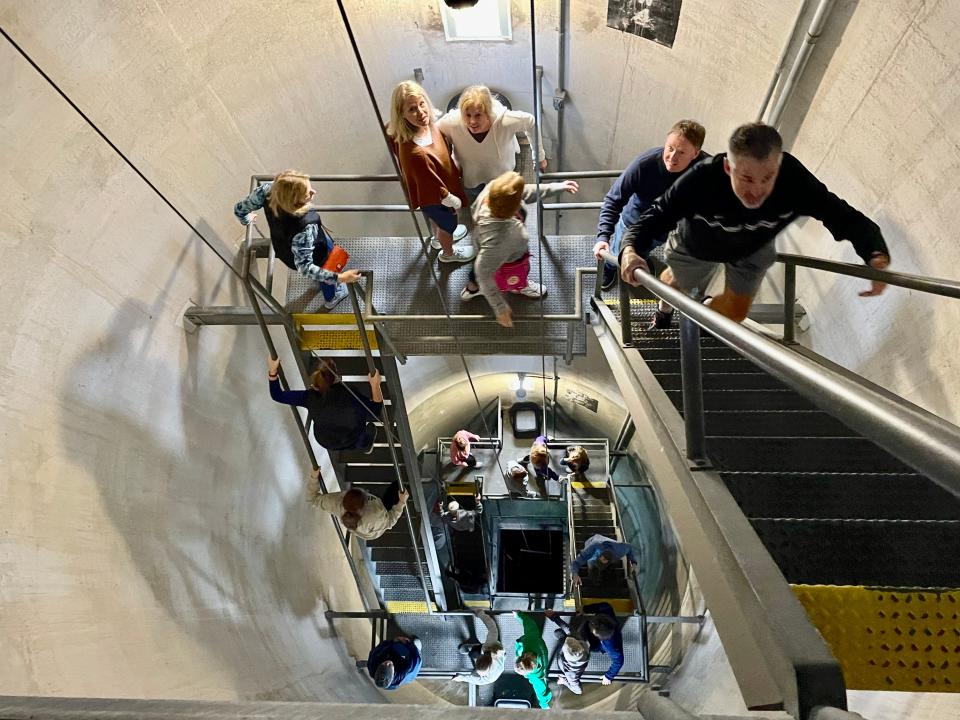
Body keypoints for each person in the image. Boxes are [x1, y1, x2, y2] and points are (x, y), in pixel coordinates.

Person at [613, 122, 891, 329]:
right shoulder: (702, 179)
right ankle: (664, 314)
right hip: (698, 245)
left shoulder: (793, 181)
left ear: (778, 166)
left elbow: (840, 213)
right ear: (727, 168)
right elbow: (657, 214)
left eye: (767, 178)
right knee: (673, 285)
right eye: (746, 179)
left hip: (751, 251)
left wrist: (874, 254)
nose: (757, 191)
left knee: (735, 312)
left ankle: (705, 308)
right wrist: (629, 248)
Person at [593, 121, 707, 291]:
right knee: (619, 253)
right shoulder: (645, 165)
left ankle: (642, 257)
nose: (672, 157)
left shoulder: (707, 170)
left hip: (667, 228)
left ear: (695, 154)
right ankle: (610, 269)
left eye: (681, 152)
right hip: (634, 223)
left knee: (645, 249)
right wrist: (603, 236)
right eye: (670, 148)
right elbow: (614, 199)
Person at [459, 171, 579, 328]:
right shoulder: (509, 236)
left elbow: (526, 191)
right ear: (514, 206)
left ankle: (473, 288)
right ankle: (519, 286)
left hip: (481, 244)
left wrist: (557, 187)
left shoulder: (491, 190)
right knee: (513, 271)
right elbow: (484, 272)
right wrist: (500, 308)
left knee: (480, 266)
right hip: (509, 256)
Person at [234, 171, 361, 309]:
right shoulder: (304, 228)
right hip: (312, 252)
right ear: (295, 202)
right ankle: (332, 297)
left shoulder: (270, 189)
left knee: (328, 251)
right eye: (308, 193)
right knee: (326, 265)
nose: (313, 192)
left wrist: (246, 219)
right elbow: (306, 267)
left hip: (283, 246)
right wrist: (341, 278)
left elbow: (239, 209)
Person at [387, 81, 475, 264]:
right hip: (437, 197)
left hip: (433, 195)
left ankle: (438, 238)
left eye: (421, 104)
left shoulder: (423, 127)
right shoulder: (415, 153)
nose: (420, 112)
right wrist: (450, 197)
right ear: (401, 114)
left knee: (436, 220)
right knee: (448, 223)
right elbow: (428, 183)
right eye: (412, 109)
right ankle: (448, 253)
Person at [437, 85, 547, 202]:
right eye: (468, 115)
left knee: (502, 200)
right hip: (471, 174)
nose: (472, 121)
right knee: (477, 198)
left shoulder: (505, 121)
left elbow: (531, 122)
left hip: (501, 174)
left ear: (488, 113)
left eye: (478, 115)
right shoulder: (453, 122)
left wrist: (539, 157)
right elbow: (434, 132)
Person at [267, 357, 380, 453]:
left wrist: (273, 370)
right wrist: (375, 385)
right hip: (351, 436)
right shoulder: (350, 393)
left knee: (350, 424)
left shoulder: (310, 398)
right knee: (360, 430)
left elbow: (277, 395)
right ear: (337, 378)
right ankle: (364, 445)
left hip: (327, 440)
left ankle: (360, 444)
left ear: (315, 385)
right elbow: (375, 411)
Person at [315, 480, 409, 541]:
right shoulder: (376, 515)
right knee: (397, 487)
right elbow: (390, 521)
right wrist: (402, 502)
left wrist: (313, 477)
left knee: (395, 488)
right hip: (374, 529)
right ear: (365, 504)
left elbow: (313, 498)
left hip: (363, 528)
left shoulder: (337, 503)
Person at [452, 609, 505, 686]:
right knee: (472, 653)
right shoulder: (491, 642)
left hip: (488, 651)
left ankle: (475, 648)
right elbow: (492, 627)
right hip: (493, 648)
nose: (481, 676)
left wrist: (461, 678)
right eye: (483, 675)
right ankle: (476, 647)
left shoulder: (491, 677)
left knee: (472, 654)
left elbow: (477, 680)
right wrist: (482, 615)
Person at [544, 609, 590, 695]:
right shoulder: (582, 644)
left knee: (558, 633)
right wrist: (553, 616)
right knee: (563, 632)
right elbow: (568, 630)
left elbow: (578, 691)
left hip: (563, 661)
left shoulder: (571, 674)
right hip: (574, 651)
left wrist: (563, 681)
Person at [578, 602, 624, 684]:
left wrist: (609, 676)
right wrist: (584, 609)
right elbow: (605, 605)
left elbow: (618, 661)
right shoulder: (606, 611)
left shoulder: (611, 647)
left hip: (597, 645)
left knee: (590, 646)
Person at [514, 611, 552, 708]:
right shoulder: (530, 640)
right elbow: (529, 624)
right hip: (537, 644)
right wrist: (519, 615)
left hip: (542, 651)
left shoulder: (537, 673)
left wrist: (545, 705)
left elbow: (542, 690)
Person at [570, 533, 638, 587]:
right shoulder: (592, 549)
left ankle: (605, 581)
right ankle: (595, 583)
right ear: (599, 555)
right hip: (592, 541)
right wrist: (574, 573)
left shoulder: (620, 550)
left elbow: (630, 547)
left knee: (608, 572)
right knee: (592, 566)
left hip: (608, 543)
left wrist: (634, 563)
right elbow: (576, 562)